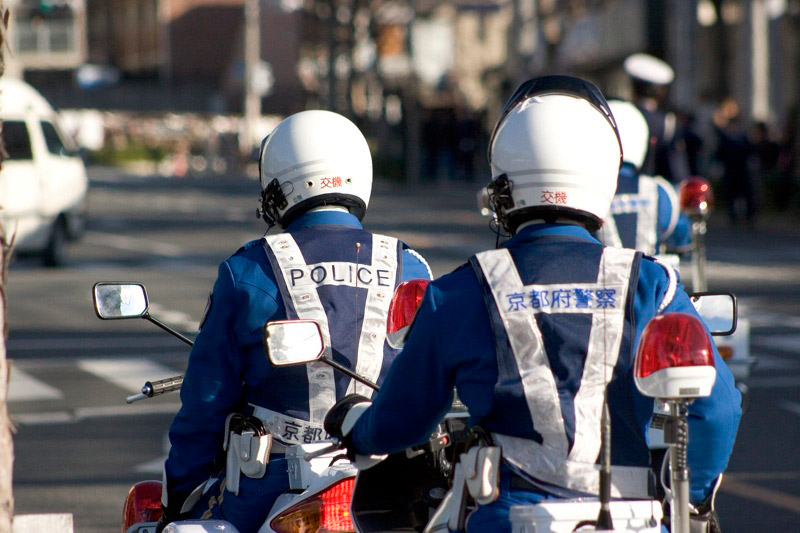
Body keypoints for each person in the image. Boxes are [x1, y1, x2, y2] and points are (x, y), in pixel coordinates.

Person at [324, 76, 741, 532]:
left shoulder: (462, 291)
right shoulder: (651, 284)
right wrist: (691, 499)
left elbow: (402, 423)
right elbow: (715, 411)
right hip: (634, 519)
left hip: (506, 517)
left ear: (504, 184)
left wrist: (357, 426)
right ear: (603, 174)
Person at [156, 110, 433, 532]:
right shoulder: (410, 264)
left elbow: (205, 404)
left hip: (272, 487)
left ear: (277, 185)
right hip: (392, 488)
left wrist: (180, 491)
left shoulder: (249, 269)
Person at [598, 99, 692, 256]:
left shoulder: (586, 191)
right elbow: (682, 239)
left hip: (597, 278)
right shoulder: (660, 191)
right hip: (648, 279)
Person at [624, 53, 690, 185]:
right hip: (654, 198)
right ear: (661, 91)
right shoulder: (667, 123)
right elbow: (678, 174)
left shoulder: (621, 114)